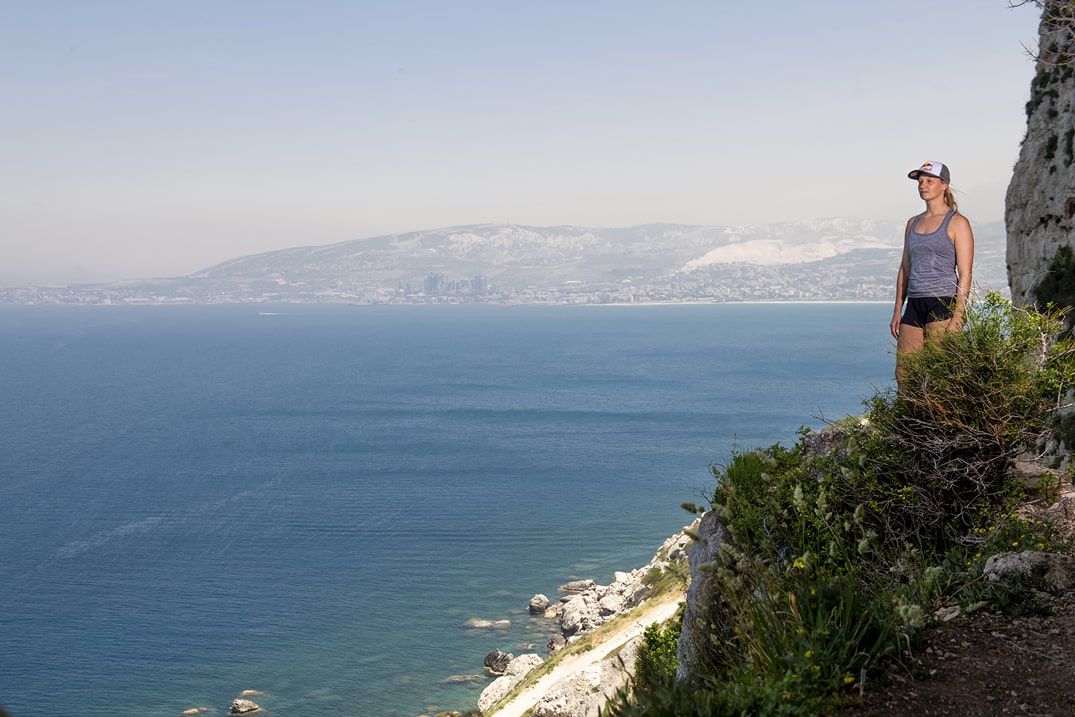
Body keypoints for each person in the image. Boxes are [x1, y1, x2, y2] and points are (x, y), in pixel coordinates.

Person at [889, 161, 974, 387]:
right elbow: (905, 268)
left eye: (929, 181)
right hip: (915, 302)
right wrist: (897, 310)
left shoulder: (957, 223)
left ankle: (943, 412)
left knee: (940, 372)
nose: (922, 185)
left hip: (942, 301)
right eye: (920, 181)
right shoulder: (913, 223)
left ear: (944, 185)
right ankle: (908, 412)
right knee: (904, 373)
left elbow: (965, 273)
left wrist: (958, 317)